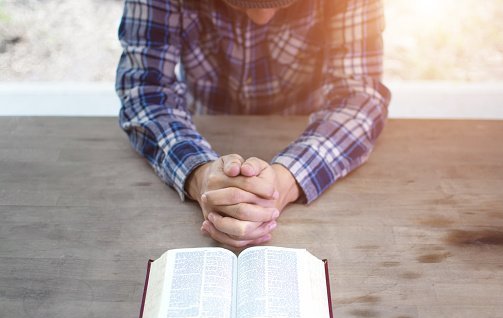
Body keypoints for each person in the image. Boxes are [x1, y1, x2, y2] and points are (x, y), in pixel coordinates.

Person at [115, 0, 391, 248]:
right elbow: (145, 89)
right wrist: (199, 175)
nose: (262, 18)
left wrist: (283, 182)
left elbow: (359, 95)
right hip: (203, 127)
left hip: (306, 130)